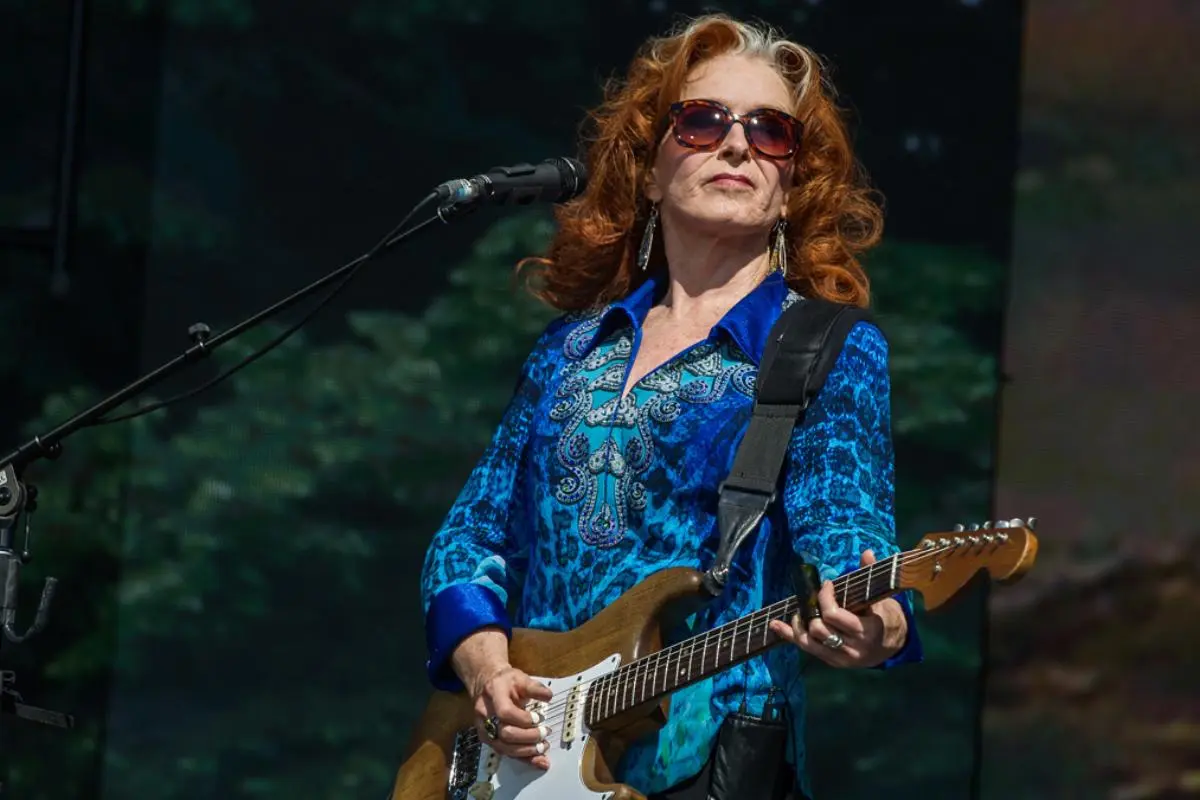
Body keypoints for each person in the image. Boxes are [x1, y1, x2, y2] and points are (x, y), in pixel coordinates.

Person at [419, 13, 922, 800]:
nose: (736, 145)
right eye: (702, 121)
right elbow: (469, 537)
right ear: (650, 173)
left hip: (708, 762)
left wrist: (882, 620)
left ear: (793, 185)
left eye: (770, 133)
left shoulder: (825, 345)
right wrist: (487, 670)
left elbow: (846, 524)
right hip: (525, 769)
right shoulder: (568, 349)